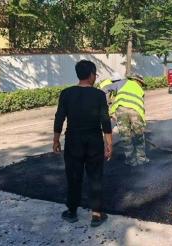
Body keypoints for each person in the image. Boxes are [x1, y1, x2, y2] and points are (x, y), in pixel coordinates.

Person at [53, 60, 113, 227]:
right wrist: (109, 143)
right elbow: (105, 121)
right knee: (95, 176)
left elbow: (60, 117)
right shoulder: (99, 95)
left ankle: (72, 211)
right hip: (94, 142)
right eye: (95, 74)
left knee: (73, 176)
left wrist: (56, 139)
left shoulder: (66, 93)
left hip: (73, 141)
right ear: (91, 75)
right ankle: (96, 214)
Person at [103, 72, 148, 166]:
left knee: (125, 136)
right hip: (136, 111)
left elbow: (105, 89)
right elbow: (141, 105)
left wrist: (106, 104)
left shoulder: (122, 82)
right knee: (139, 135)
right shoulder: (140, 90)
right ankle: (141, 159)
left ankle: (131, 160)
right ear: (139, 81)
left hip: (120, 111)